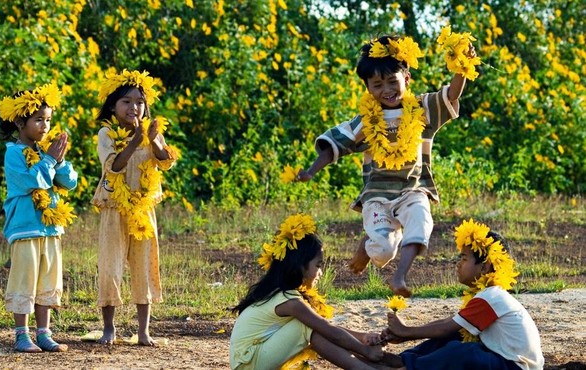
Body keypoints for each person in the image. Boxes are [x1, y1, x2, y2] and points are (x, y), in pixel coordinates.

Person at [296, 34, 477, 297]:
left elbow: (451, 94)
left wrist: (462, 64)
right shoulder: (366, 120)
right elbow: (335, 143)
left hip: (413, 188)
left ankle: (400, 277)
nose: (387, 90)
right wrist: (311, 171)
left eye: (392, 81)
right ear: (368, 88)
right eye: (377, 85)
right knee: (384, 250)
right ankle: (369, 242)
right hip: (377, 197)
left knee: (421, 220)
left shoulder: (422, 109)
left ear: (407, 79)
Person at [378, 219, 544, 370]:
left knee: (464, 351)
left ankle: (411, 365)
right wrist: (404, 334)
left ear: (485, 267)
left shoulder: (491, 297)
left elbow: (444, 328)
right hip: (503, 361)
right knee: (456, 335)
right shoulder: (488, 295)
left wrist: (406, 331)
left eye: (464, 259)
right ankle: (405, 360)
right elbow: (449, 324)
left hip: (515, 366)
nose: (458, 265)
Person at [229, 214, 386, 370]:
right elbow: (329, 331)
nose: (321, 273)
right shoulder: (289, 301)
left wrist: (362, 337)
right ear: (300, 266)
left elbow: (327, 329)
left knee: (312, 327)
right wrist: (365, 350)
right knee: (308, 327)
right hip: (249, 363)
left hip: (249, 361)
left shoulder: (280, 294)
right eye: (318, 265)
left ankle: (384, 366)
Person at [92, 69, 177, 346]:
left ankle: (144, 331)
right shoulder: (106, 133)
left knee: (144, 267)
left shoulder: (152, 130)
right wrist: (136, 141)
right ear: (113, 107)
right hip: (114, 208)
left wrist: (150, 139)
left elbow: (165, 161)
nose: (134, 107)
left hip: (143, 210)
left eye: (139, 102)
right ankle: (109, 328)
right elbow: (113, 167)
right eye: (126, 102)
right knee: (110, 266)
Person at [0, 83, 78, 353]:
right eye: (39, 120)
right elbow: (33, 182)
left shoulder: (47, 154)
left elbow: (68, 183)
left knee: (48, 281)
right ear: (21, 122)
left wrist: (60, 160)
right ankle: (22, 334)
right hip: (25, 228)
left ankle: (44, 332)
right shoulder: (14, 154)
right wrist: (50, 161)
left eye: (49, 120)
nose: (45, 126)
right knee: (25, 279)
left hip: (50, 227)